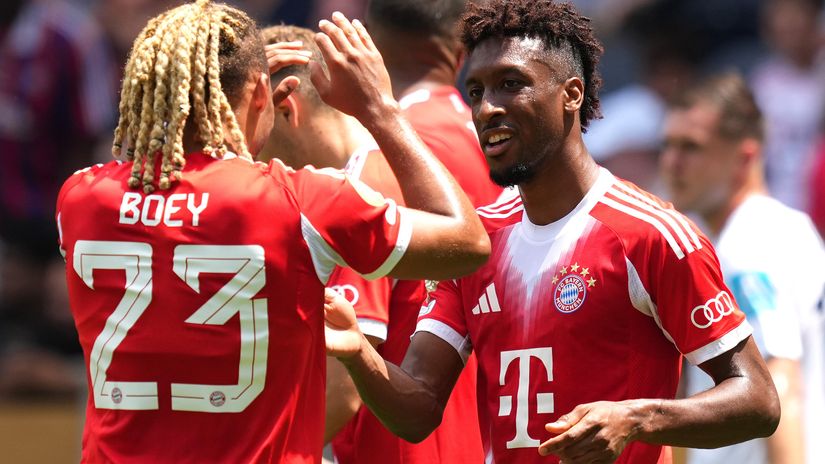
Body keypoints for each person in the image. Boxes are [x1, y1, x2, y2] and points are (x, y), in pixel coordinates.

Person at [321, 1, 781, 463]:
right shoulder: (478, 243)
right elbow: (418, 408)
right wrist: (358, 352)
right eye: (477, 91)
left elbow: (758, 399)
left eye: (511, 84)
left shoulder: (651, 235)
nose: (487, 108)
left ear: (572, 94)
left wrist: (637, 419)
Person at [55, 2, 489, 462]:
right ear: (264, 92)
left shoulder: (80, 199)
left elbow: (148, 194)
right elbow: (468, 243)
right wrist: (379, 109)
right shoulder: (301, 202)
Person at [261, 23, 484, 463]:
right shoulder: (396, 169)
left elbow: (342, 392)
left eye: (251, 115)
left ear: (286, 107)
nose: (247, 149)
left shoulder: (358, 189)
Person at [660, 73, 825, 464]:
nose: (672, 162)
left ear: (745, 157)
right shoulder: (786, 227)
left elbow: (779, 384)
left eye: (691, 147)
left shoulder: (750, 245)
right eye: (666, 145)